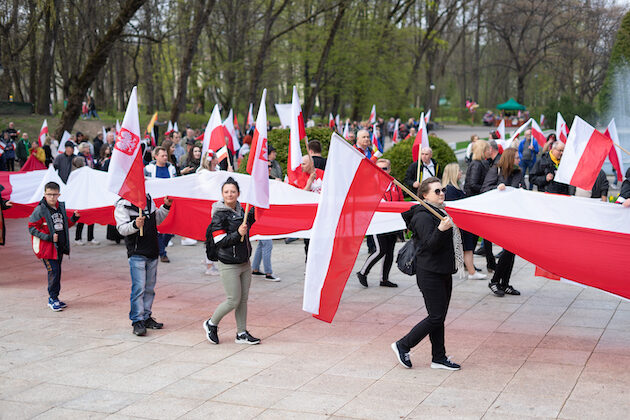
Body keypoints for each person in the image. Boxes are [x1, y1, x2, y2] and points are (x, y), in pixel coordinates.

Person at [391, 177, 461, 371]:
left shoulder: (439, 212)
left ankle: (438, 357)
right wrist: (441, 229)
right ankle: (403, 344)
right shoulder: (423, 215)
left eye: (443, 190)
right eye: (437, 191)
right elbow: (428, 246)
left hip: (443, 270)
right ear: (424, 195)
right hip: (429, 272)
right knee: (436, 317)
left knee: (438, 316)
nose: (442, 193)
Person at [203, 177, 260, 345]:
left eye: (233, 192)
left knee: (243, 300)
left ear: (238, 194)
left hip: (244, 262)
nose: (230, 194)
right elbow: (220, 241)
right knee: (233, 300)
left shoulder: (241, 210)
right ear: (222, 194)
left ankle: (241, 333)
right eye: (226, 192)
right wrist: (239, 233)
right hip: (229, 264)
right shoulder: (218, 214)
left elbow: (249, 220)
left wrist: (256, 205)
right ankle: (211, 323)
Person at [115, 192, 172, 336]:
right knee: (138, 288)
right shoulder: (123, 204)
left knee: (149, 288)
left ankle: (146, 317)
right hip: (136, 252)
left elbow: (156, 220)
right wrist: (135, 225)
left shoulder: (148, 198)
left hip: (152, 250)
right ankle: (137, 320)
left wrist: (166, 206)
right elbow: (122, 229)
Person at [28, 182, 80, 311]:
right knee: (54, 272)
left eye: (54, 194)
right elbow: (31, 227)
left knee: (57, 272)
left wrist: (73, 218)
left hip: (60, 247)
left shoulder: (61, 207)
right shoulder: (40, 209)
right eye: (49, 194)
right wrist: (48, 237)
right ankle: (52, 298)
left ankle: (55, 297)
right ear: (44, 194)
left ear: (59, 194)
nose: (51, 197)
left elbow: (64, 224)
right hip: (47, 249)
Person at [481, 148, 524, 297]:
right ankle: (494, 281)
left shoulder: (518, 172)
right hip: (498, 215)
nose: (519, 159)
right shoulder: (496, 170)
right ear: (510, 158)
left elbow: (520, 189)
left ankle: (504, 283)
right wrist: (496, 188)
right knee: (508, 249)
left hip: (513, 215)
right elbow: (484, 189)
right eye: (517, 157)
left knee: (512, 250)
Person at [356, 159, 404, 288]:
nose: (382, 172)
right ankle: (362, 272)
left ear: (389, 170)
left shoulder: (395, 185)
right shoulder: (371, 185)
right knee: (380, 250)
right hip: (378, 223)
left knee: (389, 252)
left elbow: (401, 203)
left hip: (393, 223)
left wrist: (402, 223)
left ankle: (384, 279)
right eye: (379, 169)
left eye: (385, 169)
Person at [442, 163, 486, 280]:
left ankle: (471, 271)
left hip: (460, 223)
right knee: (467, 248)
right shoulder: (450, 190)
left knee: (467, 248)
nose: (461, 172)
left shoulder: (451, 188)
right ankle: (471, 272)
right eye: (459, 170)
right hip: (459, 224)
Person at [144, 146, 177, 262]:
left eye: (166, 155)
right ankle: (162, 253)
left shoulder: (171, 169)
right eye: (162, 155)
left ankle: (160, 247)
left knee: (170, 230)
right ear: (156, 156)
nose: (165, 157)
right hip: (155, 200)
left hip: (168, 201)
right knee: (157, 228)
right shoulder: (148, 169)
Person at [73, 143, 99, 245]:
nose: (89, 149)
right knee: (81, 214)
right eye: (87, 147)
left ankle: (90, 237)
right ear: (83, 149)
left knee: (91, 214)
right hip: (82, 191)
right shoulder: (79, 158)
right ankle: (78, 238)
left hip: (90, 188)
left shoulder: (90, 157)